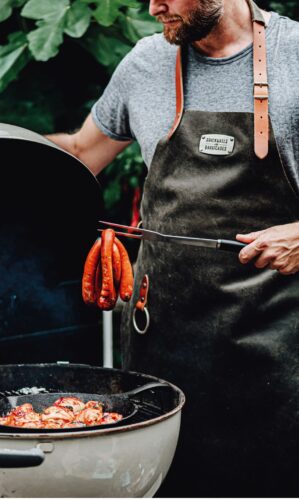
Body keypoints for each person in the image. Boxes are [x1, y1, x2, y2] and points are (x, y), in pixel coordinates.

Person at [47, 0, 299, 496]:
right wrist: (0, 144)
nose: (152, 6)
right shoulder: (146, 61)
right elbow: (81, 153)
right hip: (161, 342)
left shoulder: (296, 55)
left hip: (276, 349)